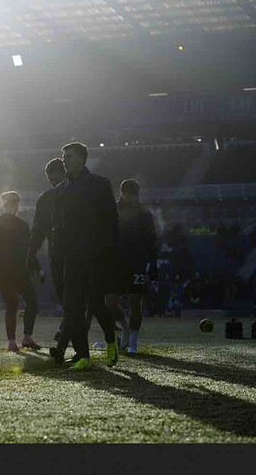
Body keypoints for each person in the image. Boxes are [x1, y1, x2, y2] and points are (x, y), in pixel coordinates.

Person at [49, 143, 119, 370]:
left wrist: (109, 253)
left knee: (97, 304)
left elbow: (111, 220)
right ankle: (83, 356)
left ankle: (111, 340)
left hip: (96, 255)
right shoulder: (61, 190)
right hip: (71, 257)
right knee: (73, 307)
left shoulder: (100, 184)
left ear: (81, 158)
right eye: (63, 156)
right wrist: (58, 249)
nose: (64, 160)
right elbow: (57, 225)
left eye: (68, 156)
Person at [0, 191, 40, 351]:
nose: (14, 205)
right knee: (27, 301)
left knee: (14, 304)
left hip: (5, 271)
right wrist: (36, 268)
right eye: (13, 203)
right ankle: (21, 339)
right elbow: (29, 250)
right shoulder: (21, 225)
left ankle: (15, 341)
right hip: (16, 270)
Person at [112, 179, 157, 354]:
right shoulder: (113, 209)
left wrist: (152, 263)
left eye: (135, 196)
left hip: (137, 262)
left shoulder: (144, 212)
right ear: (122, 194)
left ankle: (133, 342)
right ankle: (125, 328)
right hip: (114, 262)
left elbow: (151, 239)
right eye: (130, 196)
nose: (133, 199)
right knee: (108, 301)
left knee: (135, 301)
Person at [27, 158, 67, 341]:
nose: (53, 182)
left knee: (71, 293)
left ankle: (66, 333)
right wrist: (31, 252)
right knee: (65, 293)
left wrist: (31, 252)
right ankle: (68, 327)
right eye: (50, 180)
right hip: (59, 252)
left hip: (68, 252)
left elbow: (38, 230)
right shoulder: (46, 198)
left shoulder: (75, 194)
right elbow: (38, 230)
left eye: (54, 178)